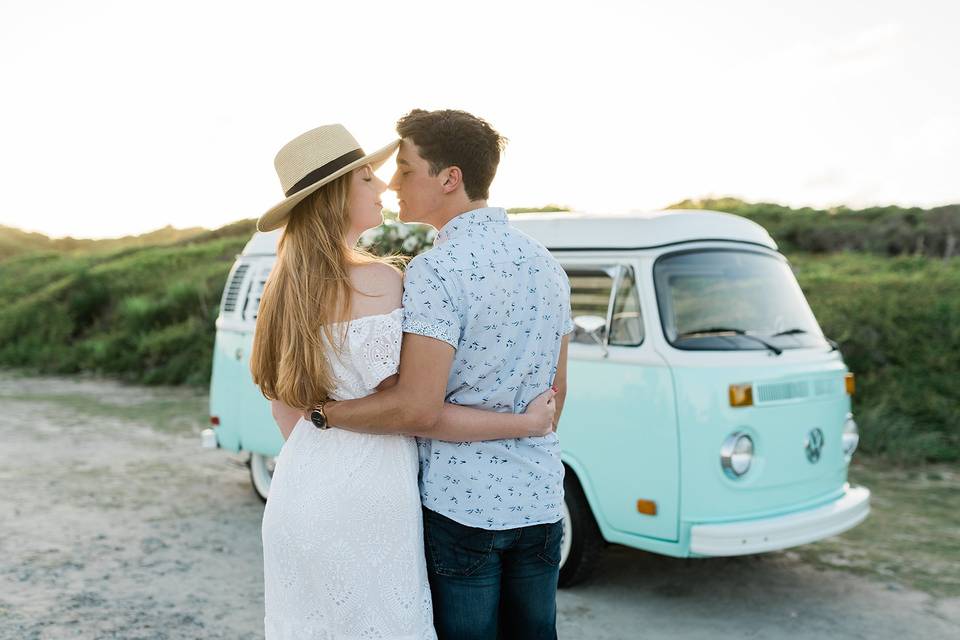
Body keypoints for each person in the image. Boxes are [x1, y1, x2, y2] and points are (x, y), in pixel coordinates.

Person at [249, 123, 557, 640]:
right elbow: (413, 407)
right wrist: (525, 422)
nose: (384, 186)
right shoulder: (386, 281)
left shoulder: (281, 289)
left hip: (302, 485)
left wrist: (328, 450)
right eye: (367, 178)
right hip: (376, 491)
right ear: (337, 196)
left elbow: (285, 405)